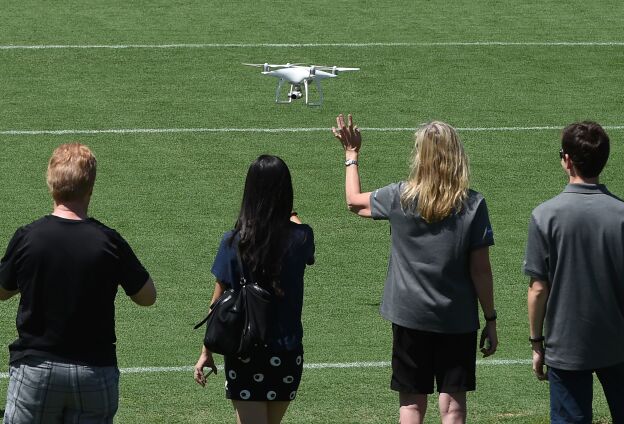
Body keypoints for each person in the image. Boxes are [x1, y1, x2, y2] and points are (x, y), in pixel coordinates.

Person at [333, 114, 498, 424]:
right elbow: (481, 271)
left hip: (408, 316)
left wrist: (351, 156)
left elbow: (354, 202)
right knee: (453, 407)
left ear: (420, 156)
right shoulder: (473, 204)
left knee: (411, 406)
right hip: (456, 319)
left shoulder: (400, 196)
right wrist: (490, 318)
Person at [0, 143, 156, 424]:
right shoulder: (109, 241)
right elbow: (147, 296)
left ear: (51, 184)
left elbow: (2, 290)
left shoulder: (27, 238)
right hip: (94, 371)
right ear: (90, 188)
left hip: (36, 368)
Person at [525, 122, 624, 424]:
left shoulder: (544, 216)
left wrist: (536, 343)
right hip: (618, 344)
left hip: (565, 346)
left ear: (567, 161)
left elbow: (538, 289)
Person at [194, 155, 315, 424]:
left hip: (244, 351)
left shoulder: (233, 241)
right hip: (287, 352)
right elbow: (297, 228)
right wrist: (290, 213)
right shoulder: (302, 237)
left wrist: (206, 351)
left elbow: (217, 303)